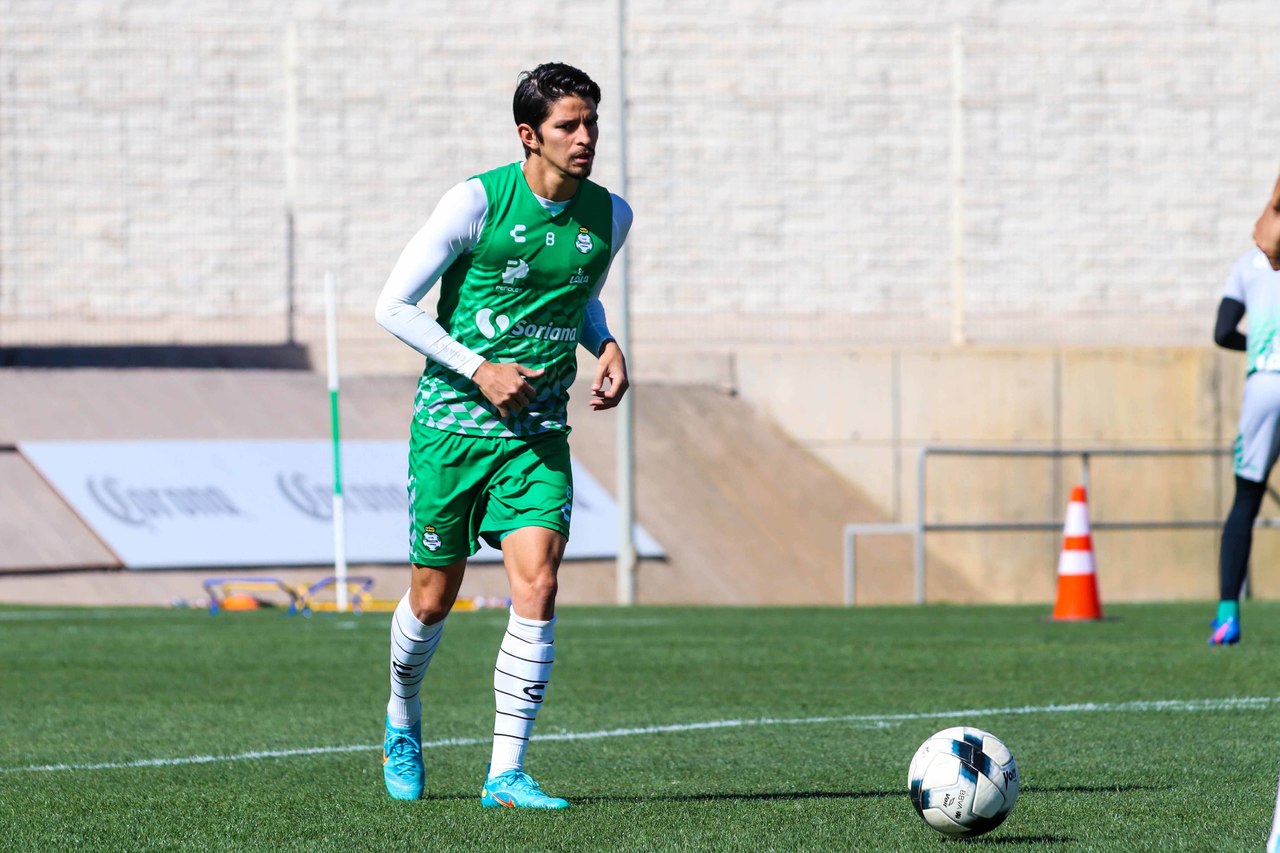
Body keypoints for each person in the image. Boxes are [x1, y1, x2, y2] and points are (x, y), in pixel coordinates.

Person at [372, 62, 631, 809]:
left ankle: (505, 772)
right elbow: (393, 305)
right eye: (568, 126)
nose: (585, 138)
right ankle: (401, 715)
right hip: (452, 429)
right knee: (431, 598)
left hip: (539, 429)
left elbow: (576, 295)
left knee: (539, 583)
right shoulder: (476, 201)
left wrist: (605, 344)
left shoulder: (611, 215)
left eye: (591, 124)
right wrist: (478, 367)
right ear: (529, 135)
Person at [1211, 173, 1280, 647]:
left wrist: (1258, 346)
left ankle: (1227, 616)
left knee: (1246, 501)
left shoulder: (1249, 264)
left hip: (1266, 384)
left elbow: (1220, 332)